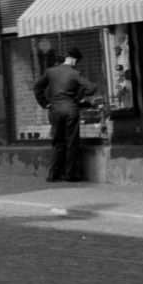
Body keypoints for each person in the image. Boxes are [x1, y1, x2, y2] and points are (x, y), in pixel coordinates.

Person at [34, 49, 96, 183]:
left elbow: (37, 87)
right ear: (74, 60)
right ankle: (70, 175)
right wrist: (79, 97)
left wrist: (45, 103)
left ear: (66, 58)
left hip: (55, 109)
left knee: (57, 142)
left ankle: (53, 174)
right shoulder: (75, 73)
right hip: (70, 109)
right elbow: (91, 88)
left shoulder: (50, 72)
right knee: (71, 143)